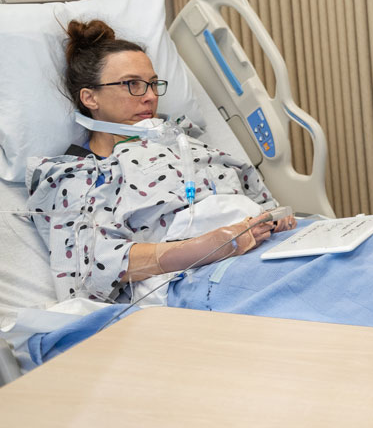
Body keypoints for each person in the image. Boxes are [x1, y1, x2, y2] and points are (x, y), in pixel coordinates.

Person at [28, 20, 296, 303]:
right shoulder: (75, 175)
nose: (151, 97)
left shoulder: (187, 142)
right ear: (90, 97)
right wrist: (208, 246)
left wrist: (277, 220)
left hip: (271, 251)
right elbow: (91, 266)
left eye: (154, 84)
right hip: (206, 278)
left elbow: (263, 202)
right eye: (133, 85)